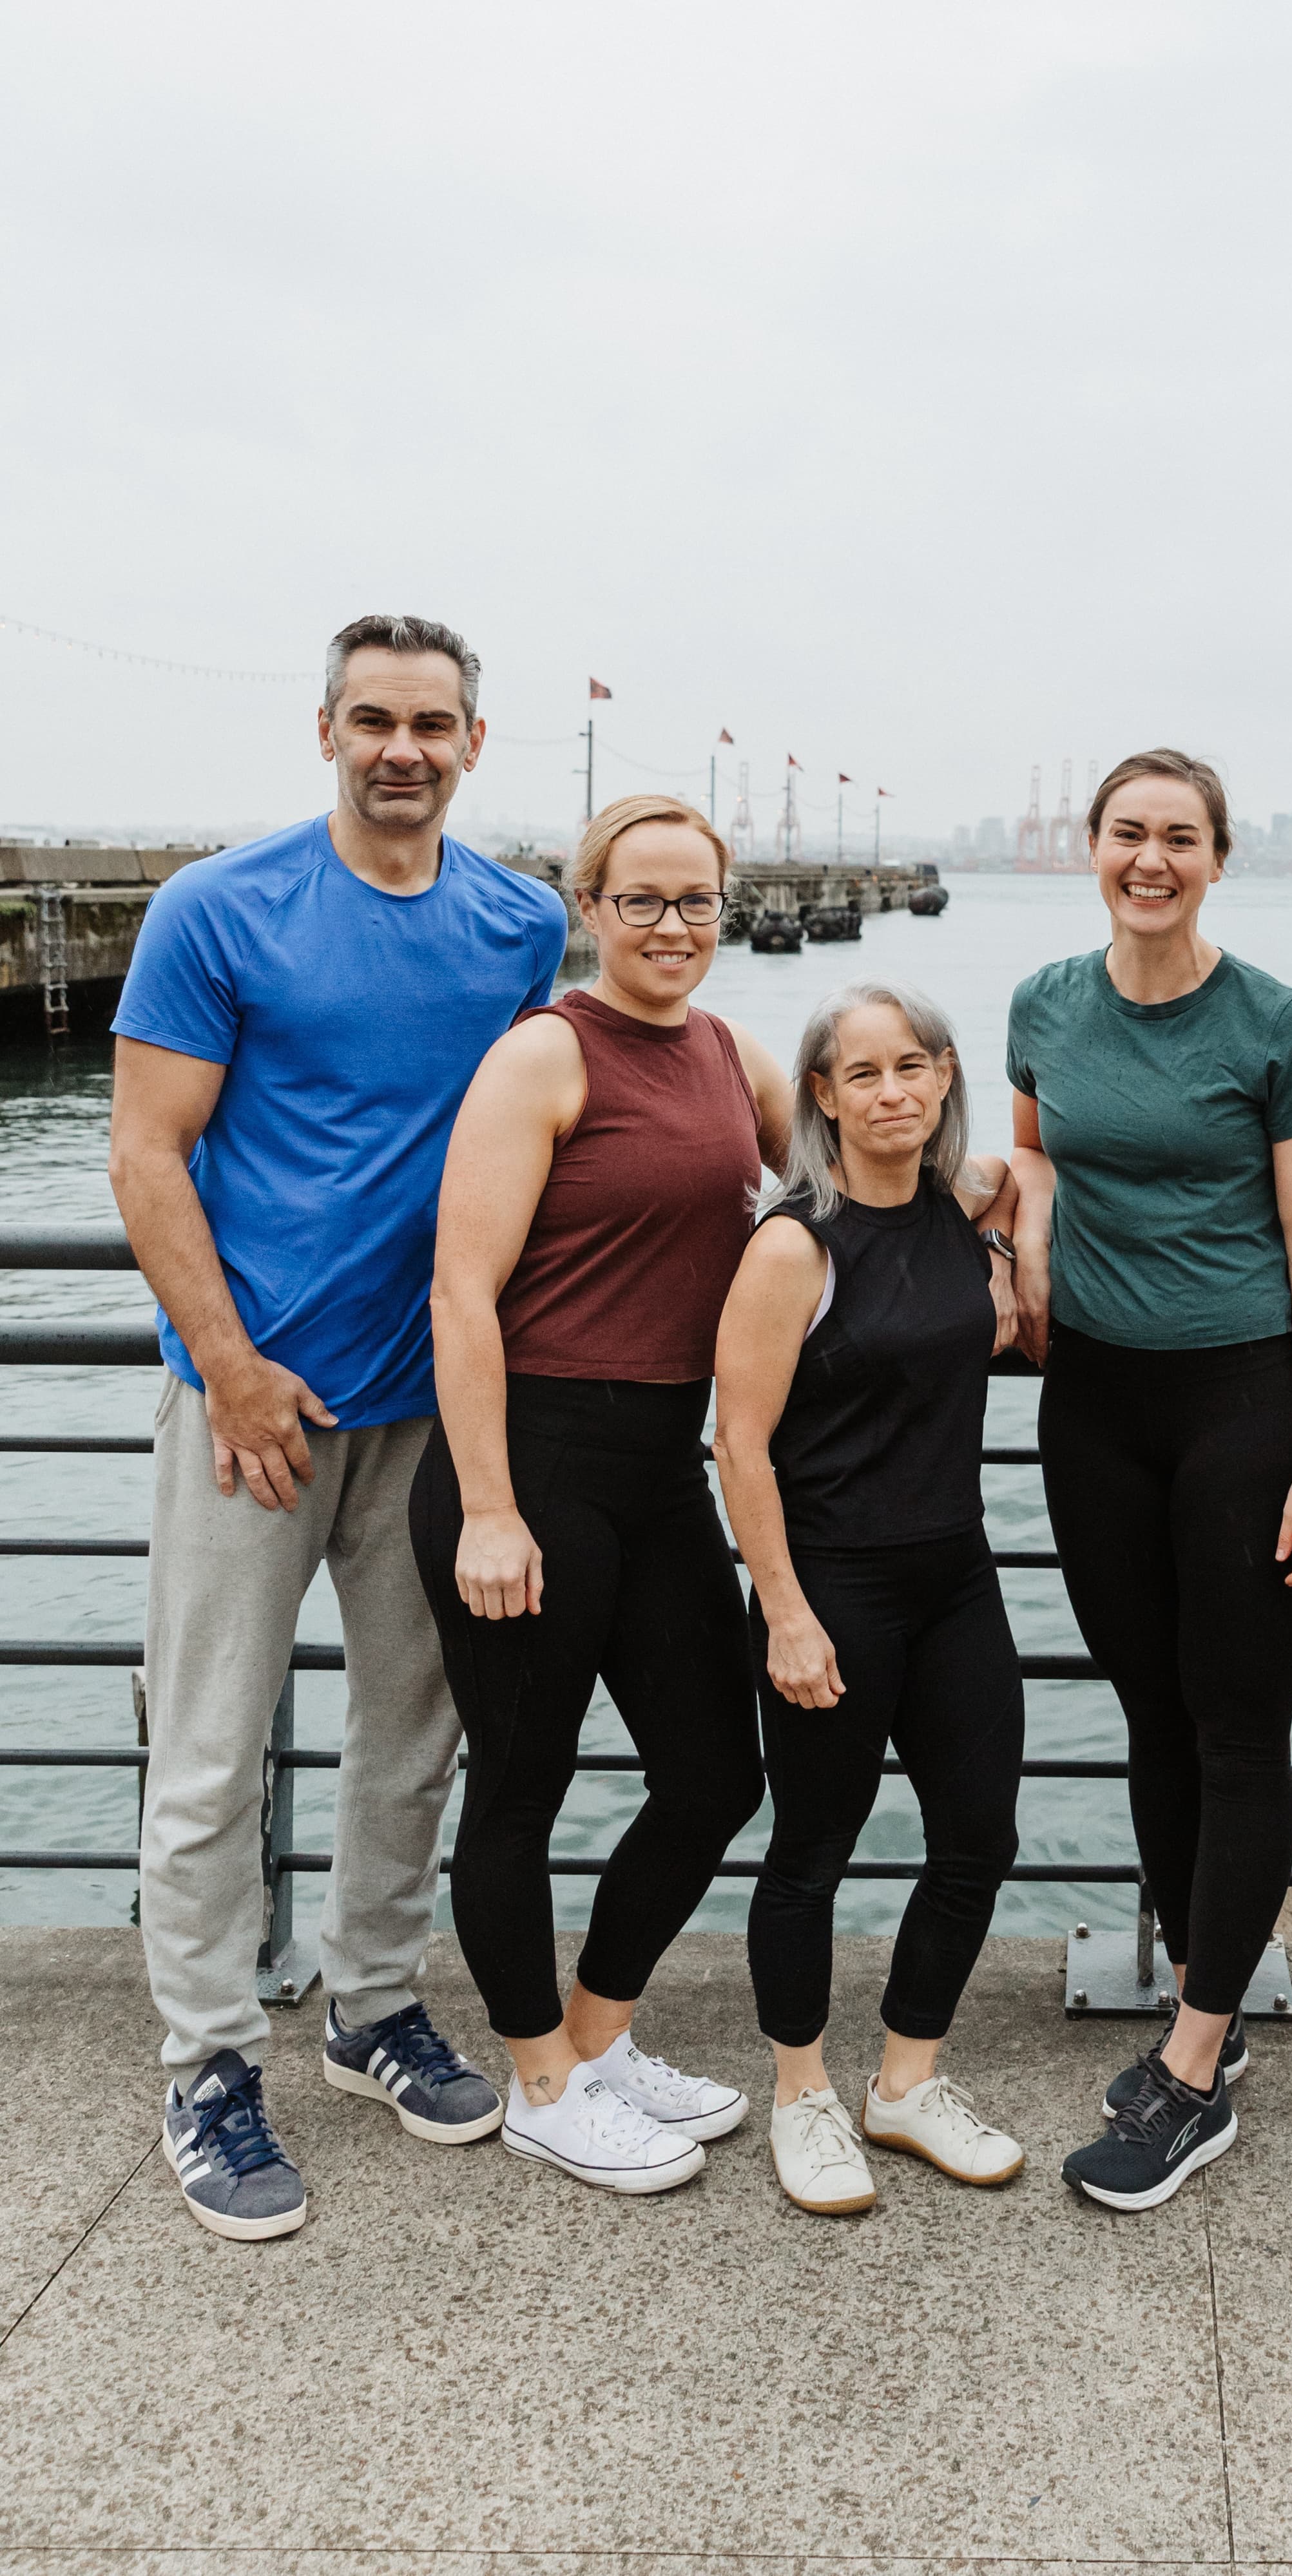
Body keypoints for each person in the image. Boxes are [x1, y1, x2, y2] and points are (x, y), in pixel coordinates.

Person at [108, 615, 568, 2241]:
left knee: (413, 1735)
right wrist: (227, 1364)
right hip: (256, 1409)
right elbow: (148, 1154)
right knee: (213, 1748)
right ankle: (209, 2063)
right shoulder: (213, 910)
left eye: (432, 723)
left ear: (472, 744)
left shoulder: (523, 924)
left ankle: (372, 2005)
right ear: (324, 732)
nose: (403, 748)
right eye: (373, 719)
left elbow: (573, 1118)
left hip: (433, 1412)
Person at [410, 792, 791, 2194]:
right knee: (521, 1783)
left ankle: (599, 2034)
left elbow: (856, 1180)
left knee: (714, 1772)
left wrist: (1013, 1207)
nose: (675, 925)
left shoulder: (732, 1051)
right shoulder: (542, 1058)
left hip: (660, 1466)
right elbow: (460, 1289)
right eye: (643, 900)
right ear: (590, 908)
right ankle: (539, 2081)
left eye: (698, 900)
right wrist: (494, 1507)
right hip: (533, 1463)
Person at [1007, 749, 1292, 2213]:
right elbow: (1031, 1157)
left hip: (1242, 1404)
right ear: (1092, 846)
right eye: (1127, 833)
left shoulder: (1277, 1024)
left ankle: (1198, 2062)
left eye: (1180, 837)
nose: (1151, 858)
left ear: (1219, 857)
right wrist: (1019, 1251)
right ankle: (1194, 1987)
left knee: (1238, 1725)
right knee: (1150, 1705)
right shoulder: (1043, 1002)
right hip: (1092, 1401)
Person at [713, 981, 1026, 2216]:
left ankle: (904, 2085)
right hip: (831, 1584)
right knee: (811, 1851)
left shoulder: (961, 1207)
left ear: (945, 1076)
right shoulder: (794, 1244)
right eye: (863, 1075)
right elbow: (739, 1447)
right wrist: (784, 1612)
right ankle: (803, 2095)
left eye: (915, 1066)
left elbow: (1019, 1178)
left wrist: (1010, 1245)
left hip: (955, 1574)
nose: (892, 1091)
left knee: (977, 1838)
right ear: (824, 1100)